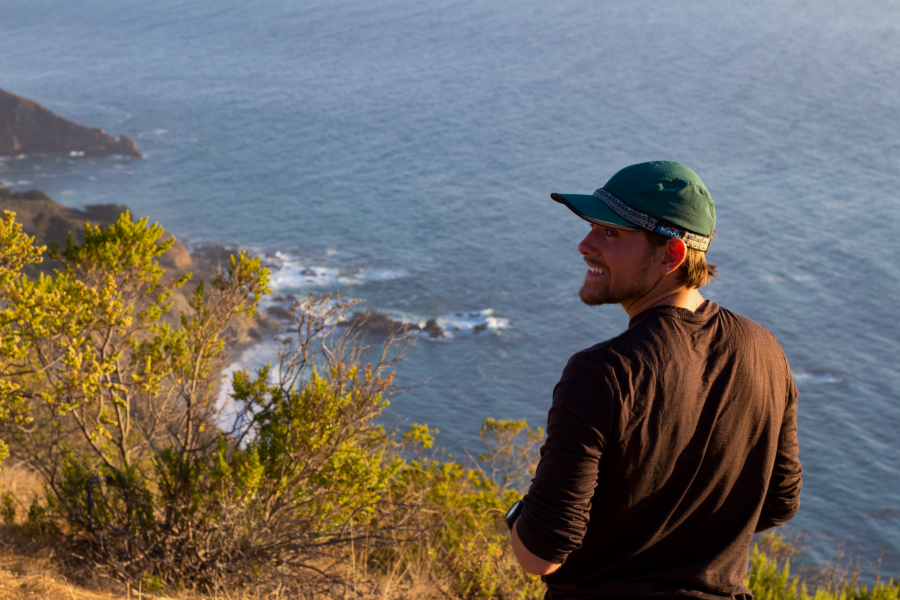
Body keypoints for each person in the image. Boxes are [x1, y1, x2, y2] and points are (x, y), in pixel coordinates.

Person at [504, 161, 802, 599]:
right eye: (592, 227)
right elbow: (779, 501)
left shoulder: (603, 373)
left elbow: (539, 555)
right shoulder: (766, 351)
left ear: (671, 255)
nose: (585, 245)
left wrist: (519, 515)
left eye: (611, 233)